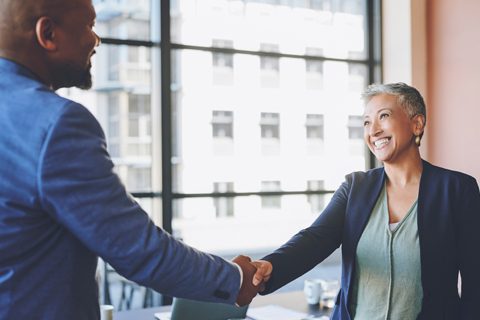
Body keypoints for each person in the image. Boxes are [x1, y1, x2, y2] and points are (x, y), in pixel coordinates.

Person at [0, 0, 260, 319]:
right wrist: (236, 280)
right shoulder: (55, 124)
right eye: (89, 26)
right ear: (48, 33)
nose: (96, 40)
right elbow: (139, 251)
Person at [248, 83, 480, 319]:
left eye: (384, 116)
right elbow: (315, 239)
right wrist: (271, 266)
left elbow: (475, 281)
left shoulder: (457, 190)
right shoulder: (355, 188)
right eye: (367, 122)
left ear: (416, 124)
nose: (374, 130)